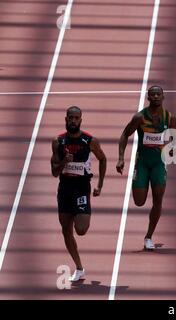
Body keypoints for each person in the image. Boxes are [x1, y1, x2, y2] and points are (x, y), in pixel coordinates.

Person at [116, 86, 176, 250]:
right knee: (139, 201)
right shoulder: (139, 118)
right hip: (142, 163)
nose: (156, 97)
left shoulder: (170, 118)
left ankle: (148, 236)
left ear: (163, 97)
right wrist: (121, 158)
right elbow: (124, 135)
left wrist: (171, 148)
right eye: (153, 95)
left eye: (159, 94)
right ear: (148, 97)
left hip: (159, 164)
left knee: (158, 199)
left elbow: (174, 137)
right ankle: (140, 183)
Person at [51, 106, 106, 282]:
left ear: (80, 120)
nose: (73, 121)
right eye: (70, 118)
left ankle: (80, 212)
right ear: (65, 119)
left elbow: (103, 158)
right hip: (65, 189)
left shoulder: (89, 141)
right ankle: (79, 268)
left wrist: (100, 185)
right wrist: (64, 162)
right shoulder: (58, 142)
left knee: (81, 230)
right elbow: (54, 171)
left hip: (82, 188)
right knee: (66, 231)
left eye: (76, 118)